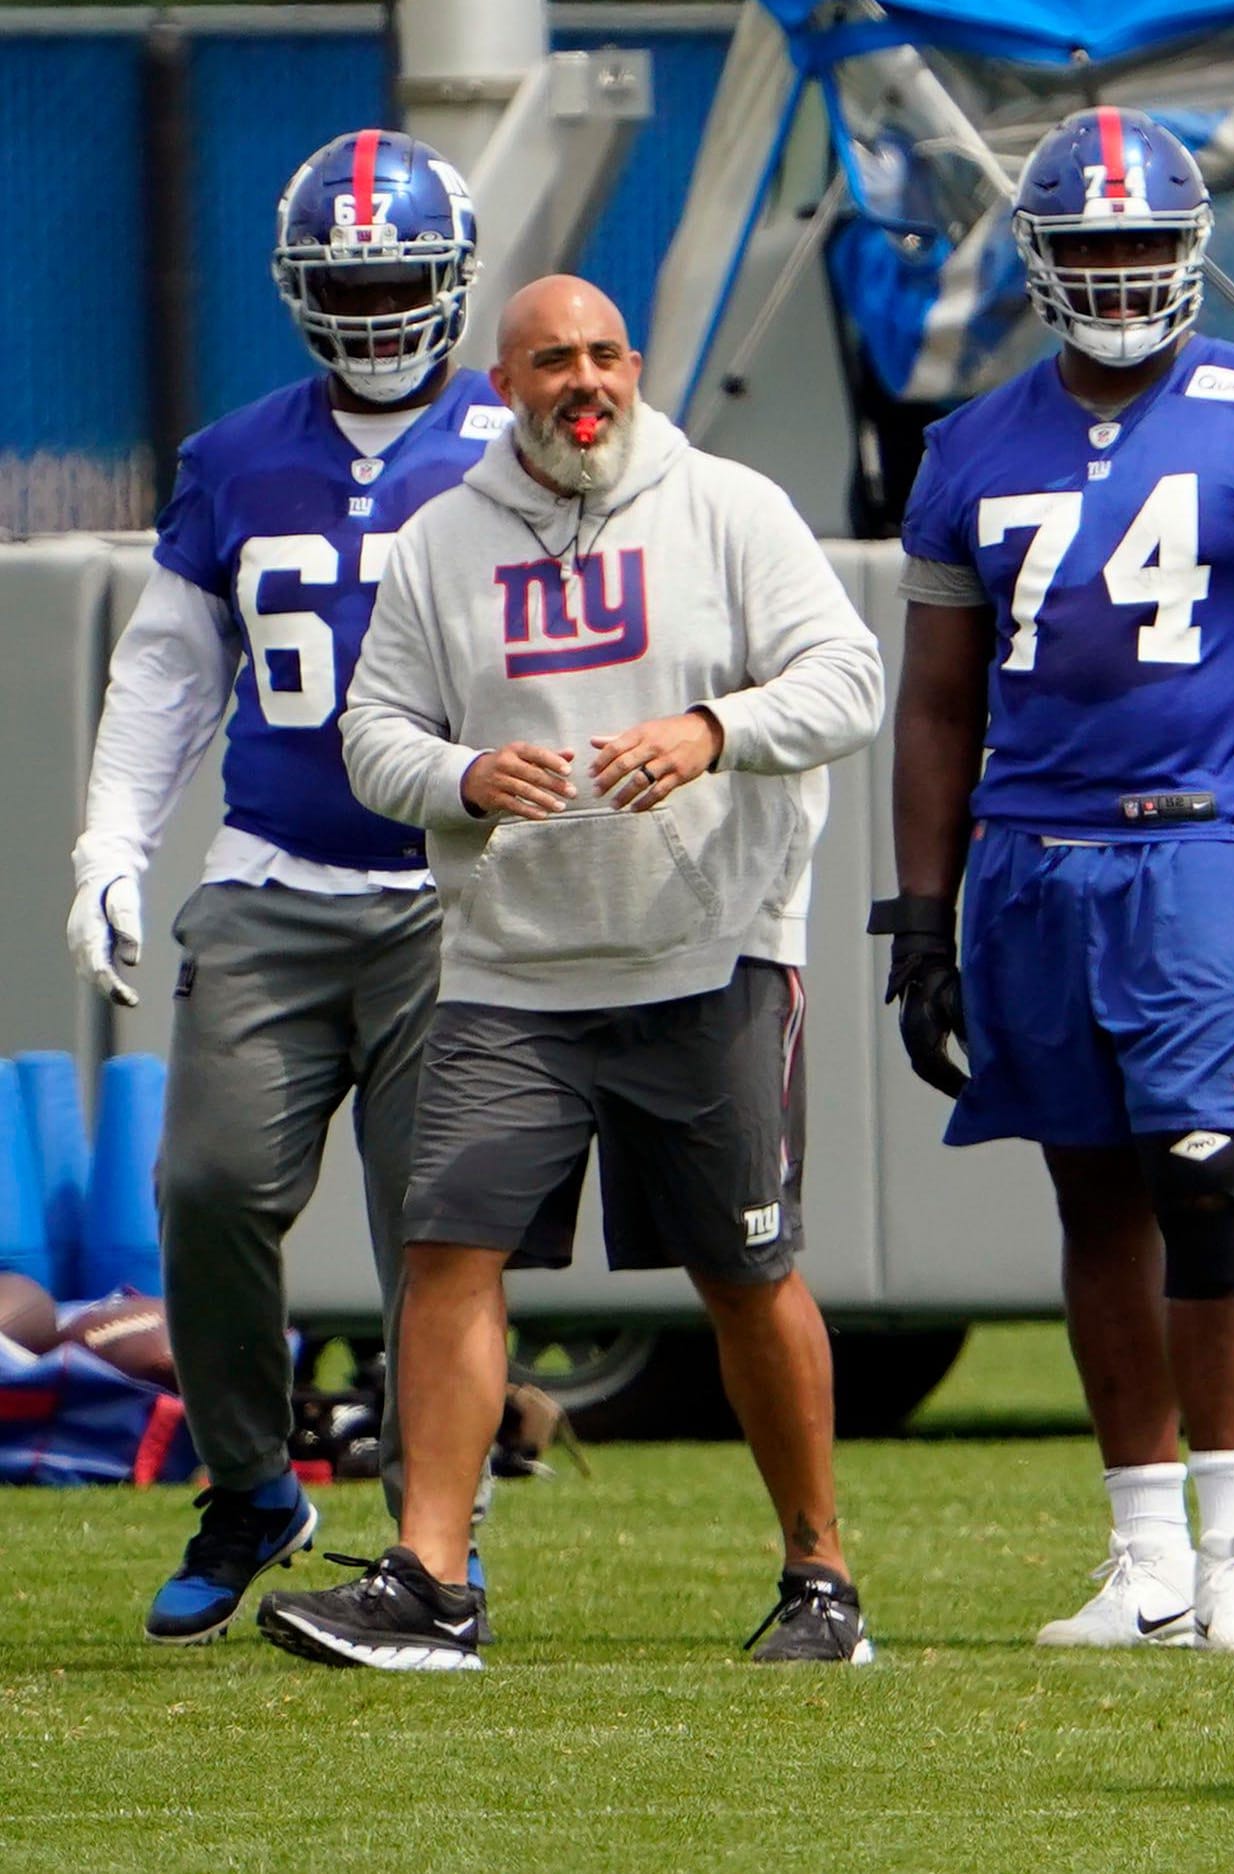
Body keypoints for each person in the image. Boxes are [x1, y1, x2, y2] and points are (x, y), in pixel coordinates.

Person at [258, 275, 886, 1669]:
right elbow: (373, 735)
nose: (582, 383)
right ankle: (432, 1576)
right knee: (447, 1253)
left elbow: (850, 679)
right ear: (504, 384)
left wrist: (715, 728)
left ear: (638, 365)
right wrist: (468, 774)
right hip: (509, 968)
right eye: (552, 362)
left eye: (604, 355)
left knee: (744, 1267)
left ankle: (820, 1576)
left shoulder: (729, 506)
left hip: (709, 947)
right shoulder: (439, 541)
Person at [875, 111, 1234, 1657]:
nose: (1117, 276)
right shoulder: (972, 444)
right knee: (1090, 1187)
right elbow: (937, 705)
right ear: (1041, 260)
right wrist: (922, 912)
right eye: (1090, 249)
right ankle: (1146, 1550)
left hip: (1203, 837)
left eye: (1142, 247)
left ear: (1193, 252)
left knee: (1207, 1169)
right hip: (1034, 856)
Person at [68, 130, 499, 1646]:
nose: (380, 308)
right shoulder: (236, 455)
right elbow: (172, 674)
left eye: (401, 278)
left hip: (460, 895)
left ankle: (439, 1547)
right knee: (203, 1187)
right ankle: (254, 1481)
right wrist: (111, 842)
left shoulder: (523, 443)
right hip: (273, 879)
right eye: (349, 282)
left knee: (436, 1228)